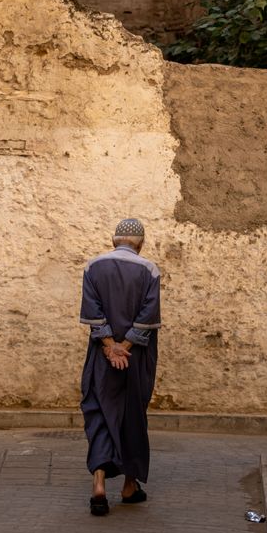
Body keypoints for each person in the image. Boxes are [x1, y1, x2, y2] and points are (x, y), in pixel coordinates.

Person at [79, 218, 161, 516]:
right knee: (132, 415)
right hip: (136, 357)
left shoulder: (93, 267)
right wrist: (124, 346)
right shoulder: (149, 270)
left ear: (113, 241)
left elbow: (92, 311)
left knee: (99, 410)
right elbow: (148, 315)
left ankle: (99, 484)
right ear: (141, 244)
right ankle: (128, 486)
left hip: (102, 356)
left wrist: (109, 345)